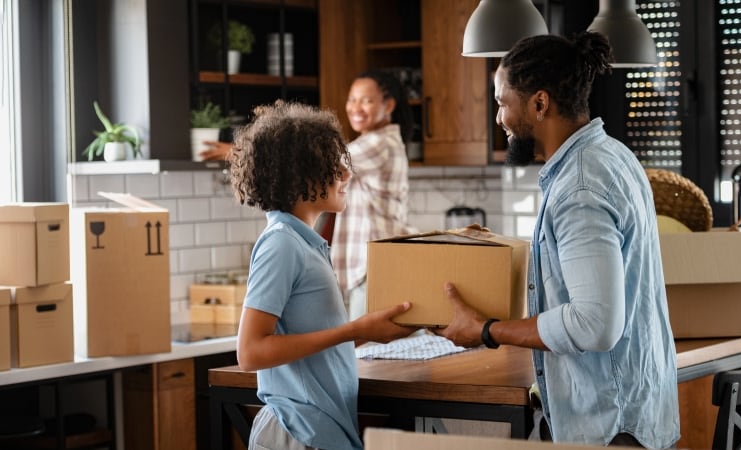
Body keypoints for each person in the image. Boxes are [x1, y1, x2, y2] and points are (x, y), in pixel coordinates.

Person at [432, 32, 680, 448]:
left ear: (540, 104)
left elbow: (595, 324)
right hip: (634, 414)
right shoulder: (613, 156)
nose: (499, 119)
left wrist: (488, 331)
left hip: (610, 427)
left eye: (502, 103)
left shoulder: (579, 186)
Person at [229, 100, 419, 450]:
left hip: (319, 429)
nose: (347, 175)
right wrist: (355, 330)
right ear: (300, 175)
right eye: (333, 165)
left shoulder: (305, 243)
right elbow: (250, 352)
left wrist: (369, 332)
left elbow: (315, 341)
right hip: (297, 431)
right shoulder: (281, 243)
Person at [331, 70, 417, 320]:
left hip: (375, 267)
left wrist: (243, 150)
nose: (355, 107)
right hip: (379, 265)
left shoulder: (379, 144)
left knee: (366, 344)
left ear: (388, 105)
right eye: (352, 99)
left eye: (366, 100)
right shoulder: (381, 142)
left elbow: (321, 163)